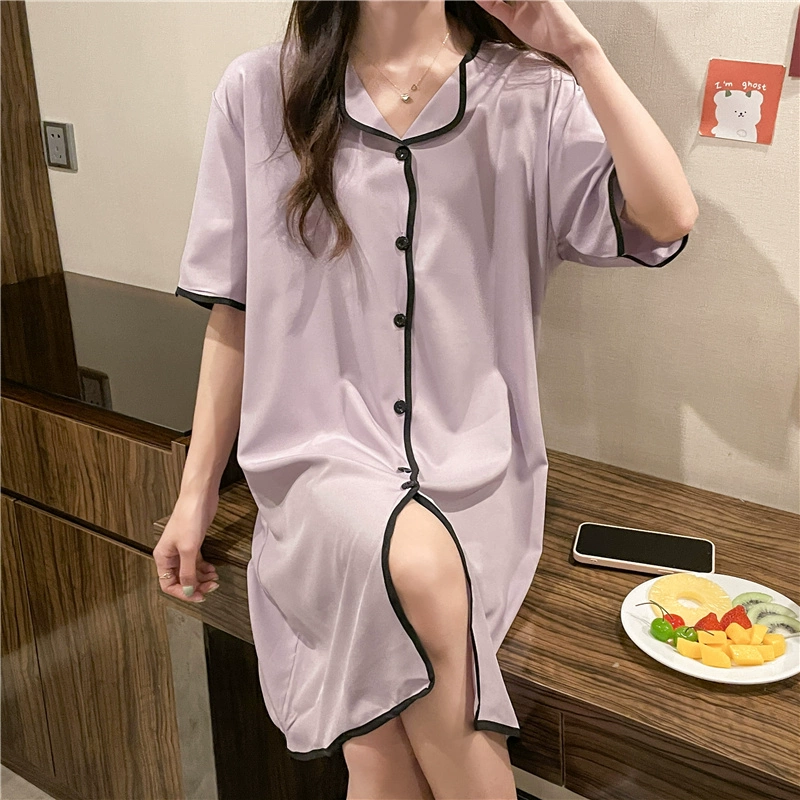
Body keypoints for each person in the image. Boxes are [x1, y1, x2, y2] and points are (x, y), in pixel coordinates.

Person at [153, 1, 697, 798]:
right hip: (319, 459)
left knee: (379, 748)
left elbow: (667, 217)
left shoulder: (531, 95)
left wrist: (580, 50)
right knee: (414, 569)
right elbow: (233, 310)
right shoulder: (259, 91)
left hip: (480, 475)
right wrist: (194, 494)